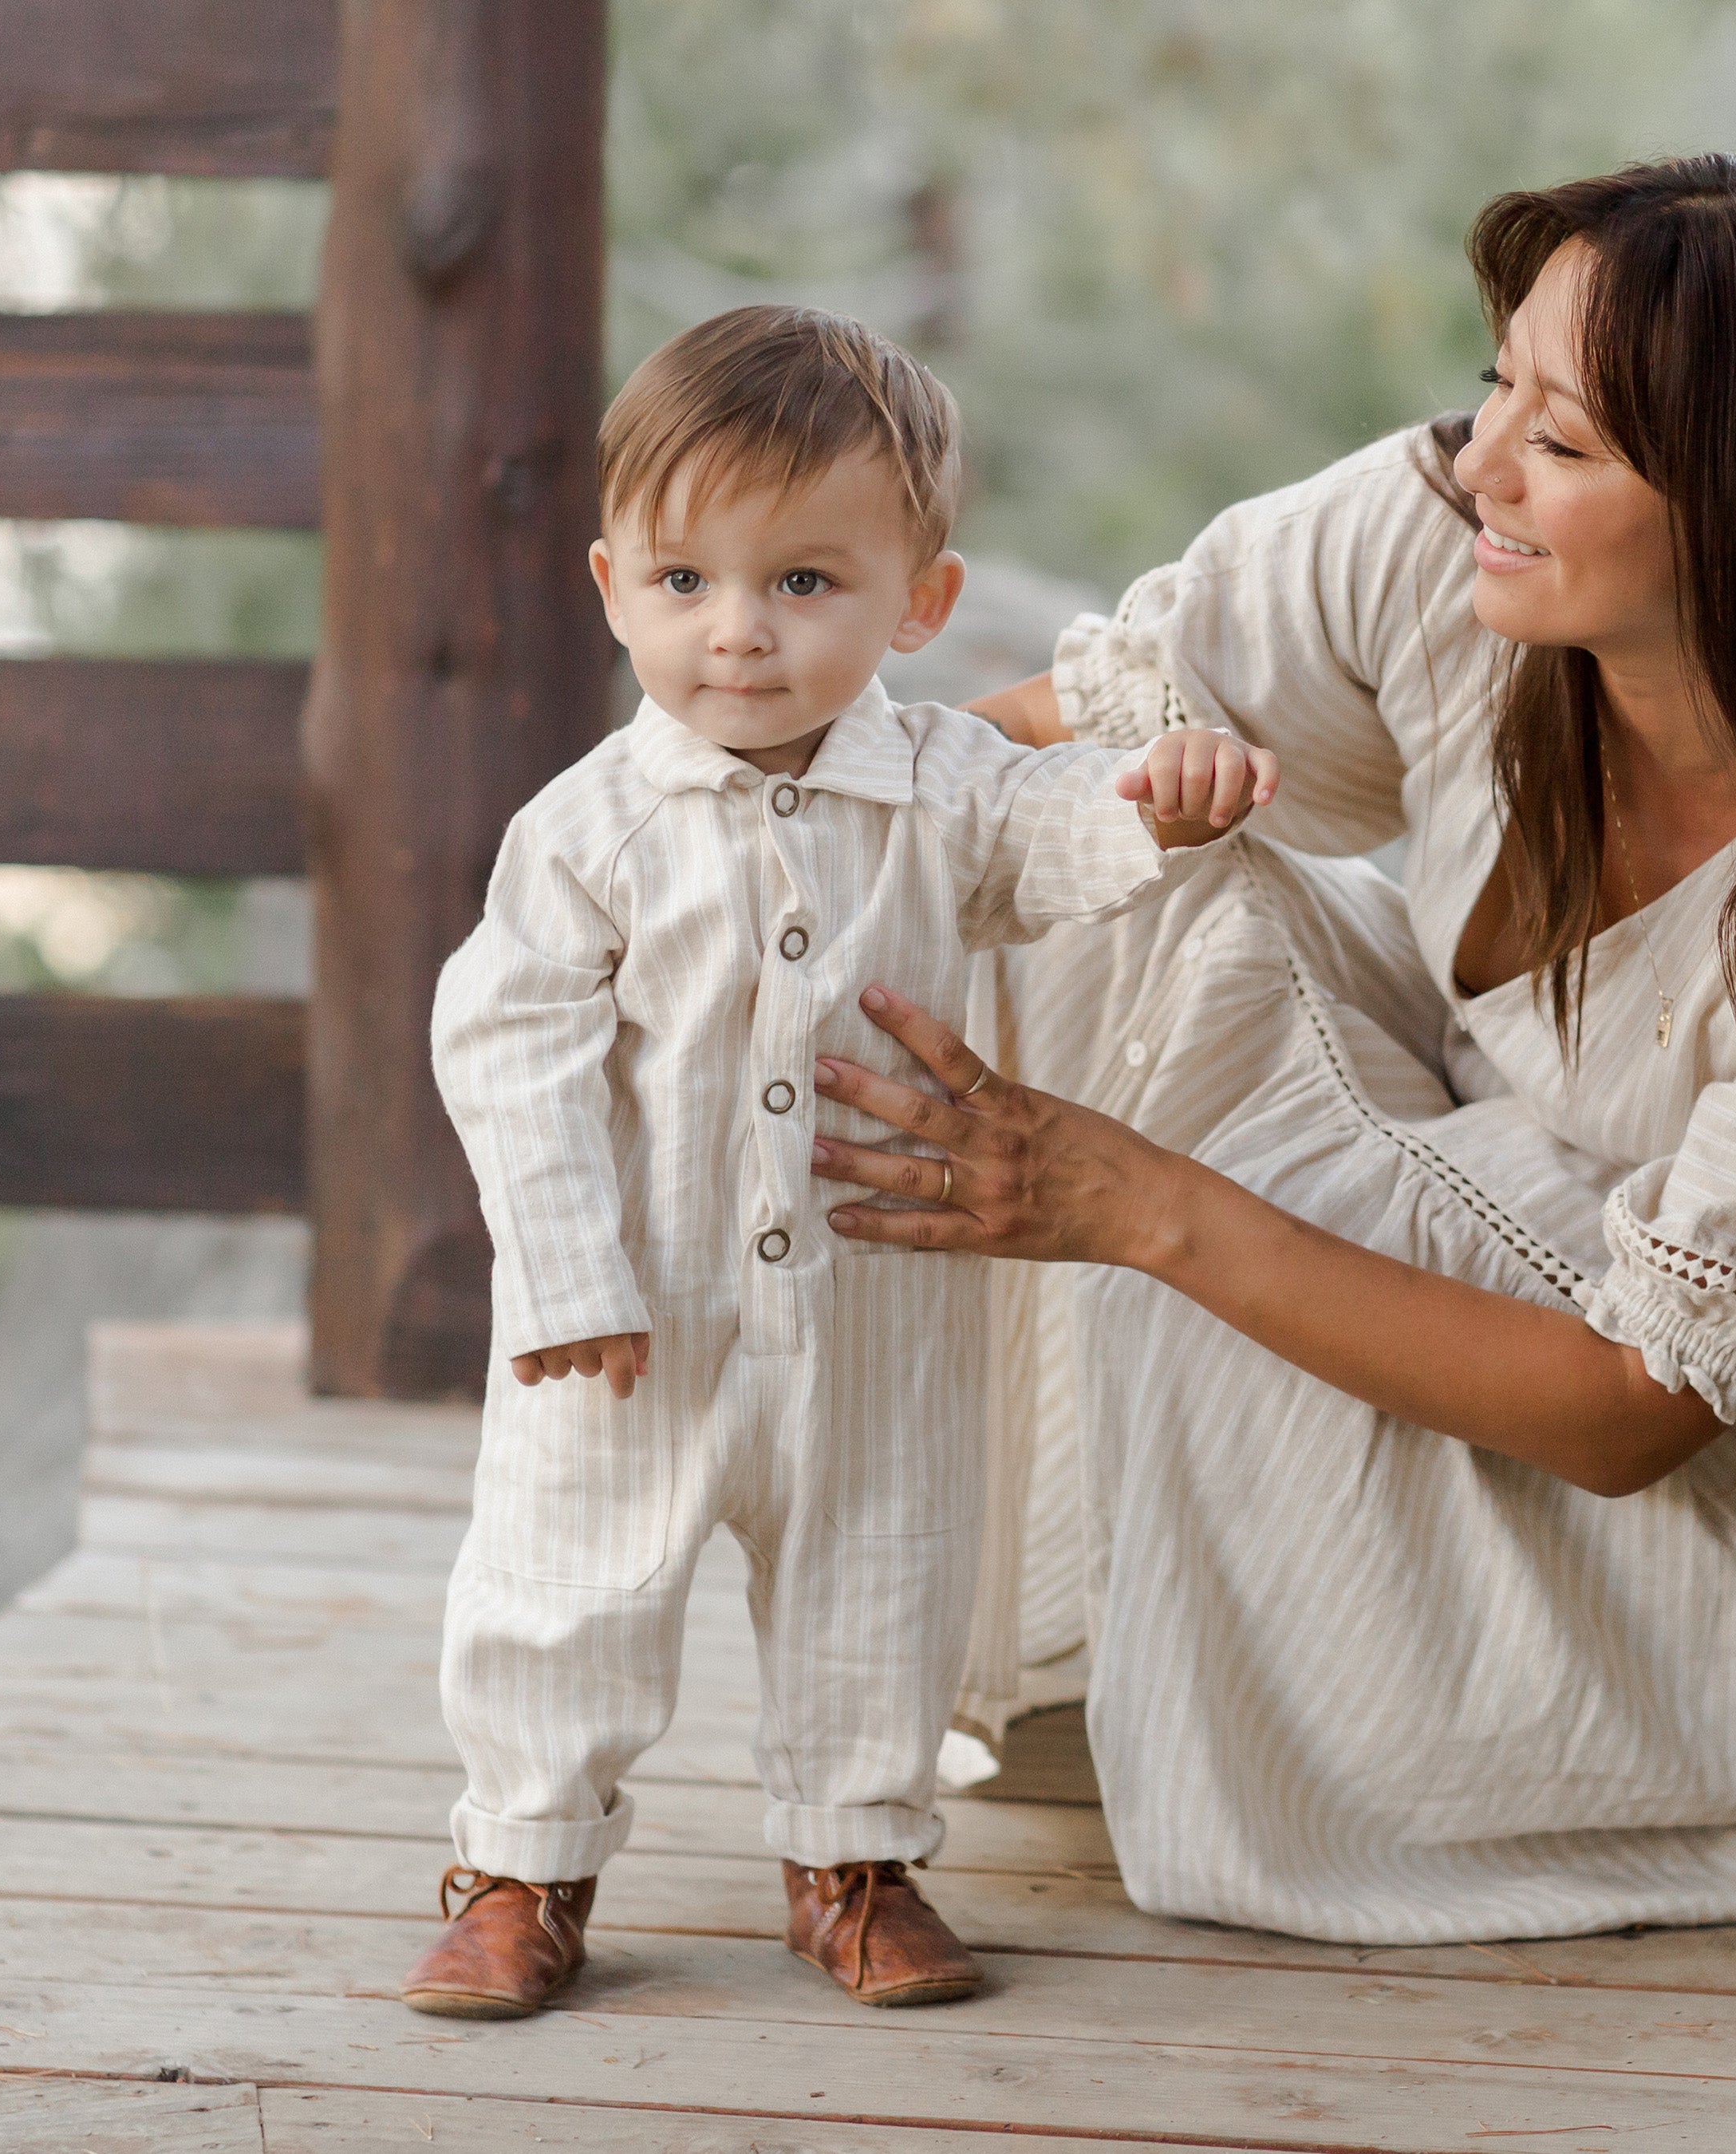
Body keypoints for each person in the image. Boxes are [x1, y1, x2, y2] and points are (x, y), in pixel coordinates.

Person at [807, 157, 1736, 1947]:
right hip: (1495, 1209)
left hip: (1688, 1539)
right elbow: (1018, 750)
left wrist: (1139, 1203)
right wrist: (726, 873)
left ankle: (1377, 1725)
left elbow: (1629, 1423)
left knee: (1196, 977)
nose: (1485, 463)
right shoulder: (1450, 555)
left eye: (1570, 440)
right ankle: (995, 1619)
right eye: (1500, 387)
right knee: (1109, 845)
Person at [403, 305, 1277, 2018]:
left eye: (804, 583)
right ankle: (522, 1866)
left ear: (917, 604)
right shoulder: (589, 831)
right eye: (686, 584)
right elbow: (506, 1041)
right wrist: (570, 1267)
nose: (738, 634)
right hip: (636, 1310)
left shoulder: (948, 783)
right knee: (568, 1582)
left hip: (878, 1293)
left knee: (877, 1572)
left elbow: (1061, 830)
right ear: (612, 586)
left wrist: (1161, 799)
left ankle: (853, 1861)